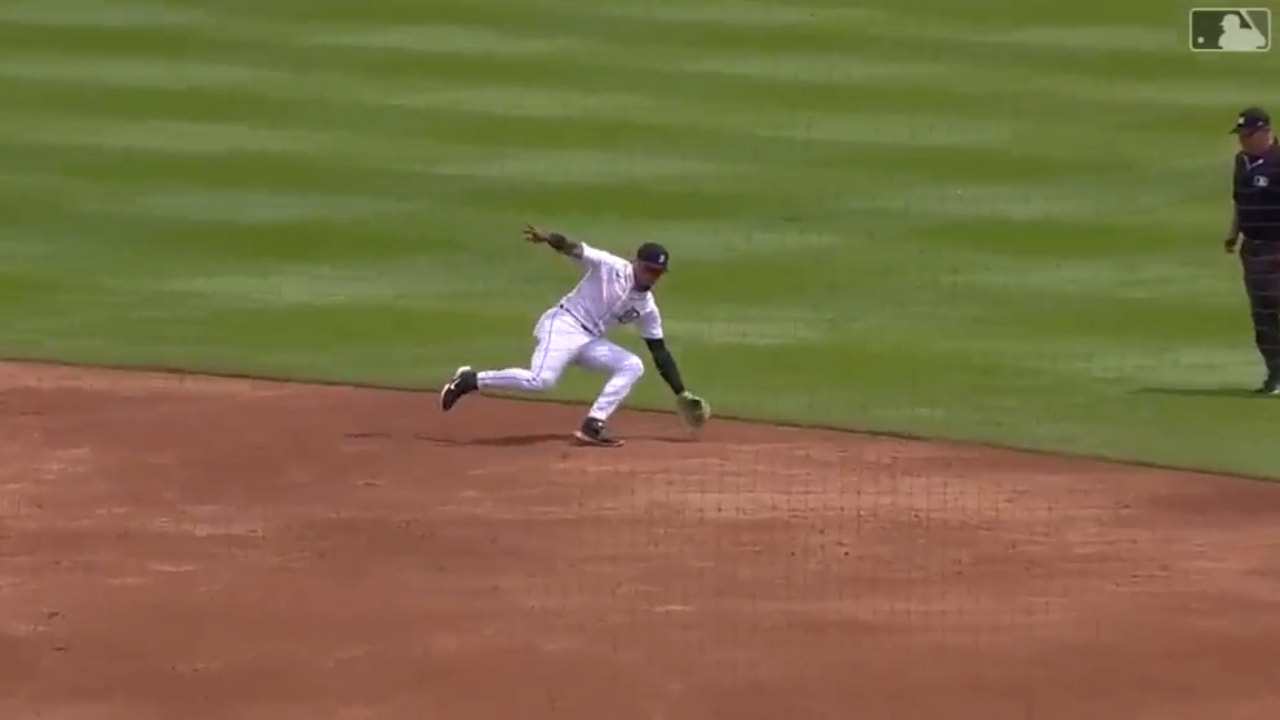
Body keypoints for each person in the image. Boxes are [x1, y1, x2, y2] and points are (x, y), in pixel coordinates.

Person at [438, 225, 708, 446]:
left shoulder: (647, 307)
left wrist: (680, 392)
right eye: (649, 269)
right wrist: (550, 239)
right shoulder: (610, 266)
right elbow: (576, 249)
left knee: (632, 365)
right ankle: (470, 380)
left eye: (658, 273)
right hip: (564, 324)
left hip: (590, 341)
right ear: (636, 263)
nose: (653, 276)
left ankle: (593, 425)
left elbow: (658, 350)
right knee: (541, 380)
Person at [1224, 107, 1280, 393]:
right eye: (1241, 136)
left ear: (1265, 132)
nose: (1243, 141)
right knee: (1262, 314)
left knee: (1275, 303)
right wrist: (1233, 234)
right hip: (1253, 249)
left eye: (1248, 136)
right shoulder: (1242, 162)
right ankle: (1275, 373)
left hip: (1277, 246)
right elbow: (1239, 201)